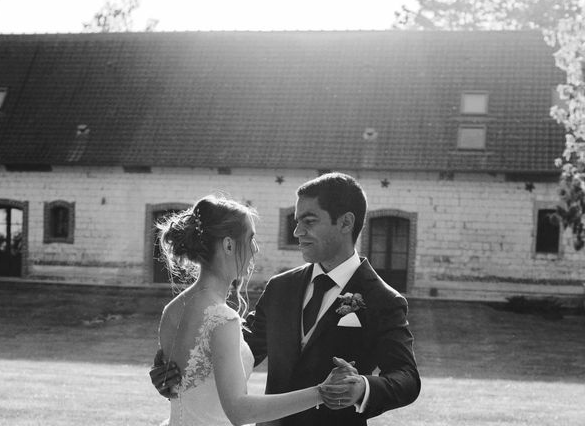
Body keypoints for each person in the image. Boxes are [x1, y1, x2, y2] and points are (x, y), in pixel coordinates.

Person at [152, 174, 421, 425]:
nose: (297, 232)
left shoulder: (383, 299)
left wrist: (363, 387)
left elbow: (407, 377)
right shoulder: (281, 287)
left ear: (346, 223)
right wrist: (177, 364)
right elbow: (240, 344)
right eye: (296, 221)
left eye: (309, 221)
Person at [153, 194, 348, 426]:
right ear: (228, 244)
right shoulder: (222, 318)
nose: (255, 250)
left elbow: (181, 384)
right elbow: (240, 411)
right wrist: (322, 392)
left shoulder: (172, 309)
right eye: (251, 238)